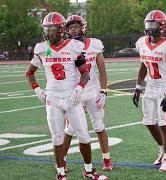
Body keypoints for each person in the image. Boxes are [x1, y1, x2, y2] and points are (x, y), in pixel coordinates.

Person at [25, 12, 107, 180]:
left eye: (52, 29)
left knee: (83, 135)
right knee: (57, 137)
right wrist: (37, 90)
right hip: (53, 98)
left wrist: (79, 87)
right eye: (47, 29)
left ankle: (89, 170)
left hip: (72, 97)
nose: (49, 33)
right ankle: (61, 172)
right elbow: (29, 73)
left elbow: (85, 73)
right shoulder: (41, 48)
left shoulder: (74, 47)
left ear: (61, 29)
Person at [61, 15, 112, 171]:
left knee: (98, 125)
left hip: (91, 90)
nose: (74, 30)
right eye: (70, 28)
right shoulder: (65, 47)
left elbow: (102, 69)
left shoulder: (95, 44)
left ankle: (106, 159)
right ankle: (62, 161)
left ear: (83, 27)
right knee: (69, 129)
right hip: (75, 92)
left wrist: (103, 91)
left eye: (76, 27)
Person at [132, 10, 166, 173]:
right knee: (149, 122)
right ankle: (164, 150)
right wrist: (138, 86)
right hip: (150, 86)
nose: (150, 27)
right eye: (148, 24)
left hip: (163, 87)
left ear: (163, 26)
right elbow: (143, 66)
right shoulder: (142, 43)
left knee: (164, 123)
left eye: (154, 24)